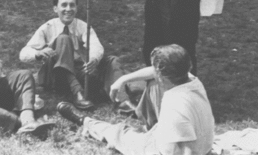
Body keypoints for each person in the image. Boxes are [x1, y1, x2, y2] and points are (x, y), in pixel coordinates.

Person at [57, 44, 215, 155]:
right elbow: (153, 72)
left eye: (156, 68)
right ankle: (148, 128)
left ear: (161, 72)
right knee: (153, 84)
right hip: (198, 143)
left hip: (165, 149)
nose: (154, 70)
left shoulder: (175, 105)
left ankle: (84, 121)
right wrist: (122, 79)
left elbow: (185, 150)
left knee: (119, 133)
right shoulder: (191, 80)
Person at [19, 0, 134, 111]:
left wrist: (93, 59)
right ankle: (77, 93)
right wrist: (37, 54)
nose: (68, 9)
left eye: (72, 5)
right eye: (64, 5)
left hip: (78, 71)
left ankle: (121, 101)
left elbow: (95, 45)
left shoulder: (83, 26)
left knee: (112, 60)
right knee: (63, 38)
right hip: (55, 76)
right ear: (55, 8)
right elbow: (23, 53)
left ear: (76, 8)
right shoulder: (48, 27)